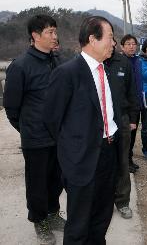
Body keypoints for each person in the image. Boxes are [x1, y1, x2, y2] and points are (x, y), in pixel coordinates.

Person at [43, 16, 121, 245]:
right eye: (110, 37)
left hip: (108, 153)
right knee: (79, 225)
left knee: (101, 218)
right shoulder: (67, 73)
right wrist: (73, 147)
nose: (114, 43)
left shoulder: (105, 70)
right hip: (82, 160)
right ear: (92, 39)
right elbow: (51, 120)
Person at [3, 14, 64, 245]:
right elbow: (11, 109)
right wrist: (29, 129)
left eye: (55, 32)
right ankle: (40, 221)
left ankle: (53, 213)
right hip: (35, 139)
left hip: (58, 137)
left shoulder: (56, 61)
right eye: (50, 32)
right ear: (35, 35)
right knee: (37, 183)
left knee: (57, 180)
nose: (54, 36)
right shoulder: (20, 66)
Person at [104, 38, 139, 219]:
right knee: (103, 163)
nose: (110, 44)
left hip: (122, 120)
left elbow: (132, 91)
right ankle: (104, 201)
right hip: (100, 123)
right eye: (107, 40)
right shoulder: (94, 63)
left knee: (123, 162)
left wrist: (133, 118)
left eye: (112, 41)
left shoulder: (122, 62)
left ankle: (123, 202)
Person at [120, 34, 143, 172]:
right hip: (125, 106)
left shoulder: (138, 61)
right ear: (122, 46)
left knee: (133, 135)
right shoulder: (119, 62)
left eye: (133, 43)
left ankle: (129, 159)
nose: (131, 46)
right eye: (128, 44)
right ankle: (124, 162)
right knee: (125, 136)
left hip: (136, 104)